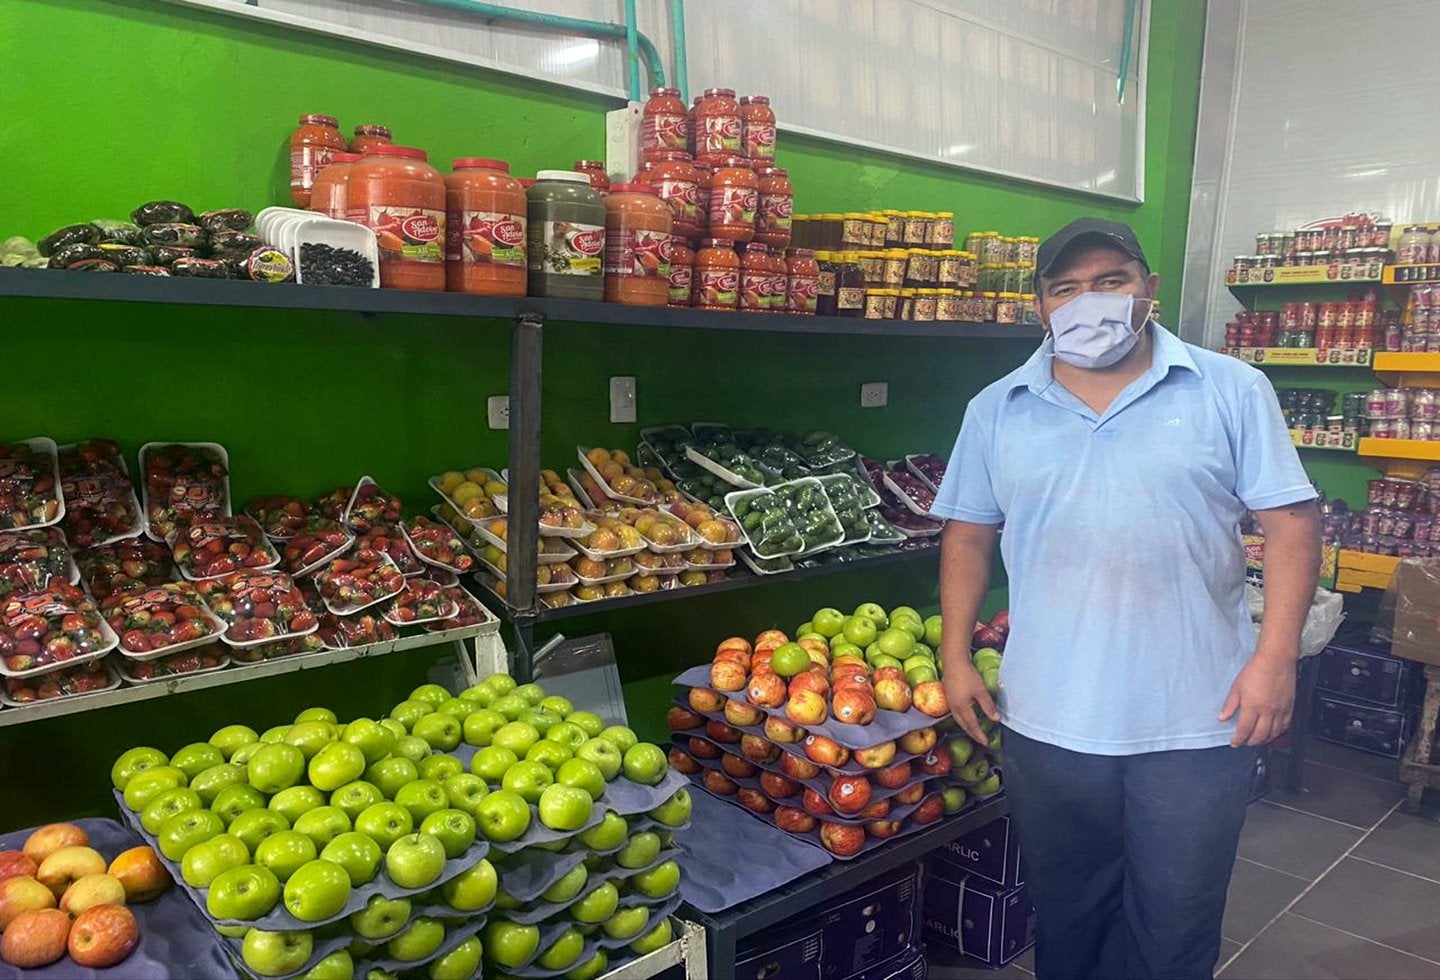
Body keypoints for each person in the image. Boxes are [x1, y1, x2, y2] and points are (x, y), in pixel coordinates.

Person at [931, 218, 1320, 980]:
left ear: (1150, 289)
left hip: (1199, 721)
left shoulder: (1230, 389)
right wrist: (954, 656)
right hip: (1048, 718)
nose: (1090, 301)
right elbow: (968, 537)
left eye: (1110, 281)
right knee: (1068, 916)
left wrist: (1276, 660)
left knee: (1174, 929)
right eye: (1066, 288)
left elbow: (1291, 525)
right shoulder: (997, 408)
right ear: (1040, 307)